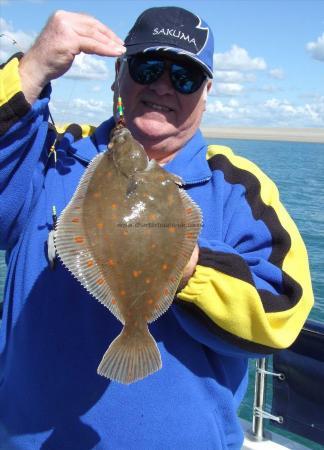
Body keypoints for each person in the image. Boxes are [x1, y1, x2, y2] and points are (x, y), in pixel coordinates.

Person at [0, 6, 314, 450]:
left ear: (205, 92)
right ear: (118, 72)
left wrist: (186, 264)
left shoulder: (237, 186)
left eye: (184, 77)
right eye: (147, 67)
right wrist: (31, 69)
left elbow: (282, 315)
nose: (163, 86)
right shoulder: (52, 154)